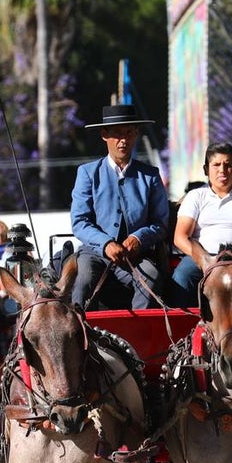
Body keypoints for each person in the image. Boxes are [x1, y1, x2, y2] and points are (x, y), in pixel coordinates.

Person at [70, 105, 169, 311]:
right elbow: (79, 222)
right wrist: (105, 243)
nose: (123, 140)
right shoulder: (88, 173)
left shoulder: (150, 175)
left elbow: (160, 222)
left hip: (135, 256)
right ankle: (81, 329)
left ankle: (137, 329)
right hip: (94, 253)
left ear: (136, 134)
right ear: (104, 135)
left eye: (129, 132)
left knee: (151, 276)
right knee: (83, 279)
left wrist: (138, 238)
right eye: (117, 133)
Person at [171, 142, 232, 308]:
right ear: (206, 170)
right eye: (216, 165)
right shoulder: (195, 196)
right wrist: (203, 259)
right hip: (202, 256)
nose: (222, 170)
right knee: (182, 277)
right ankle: (182, 323)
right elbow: (180, 237)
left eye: (228, 165)